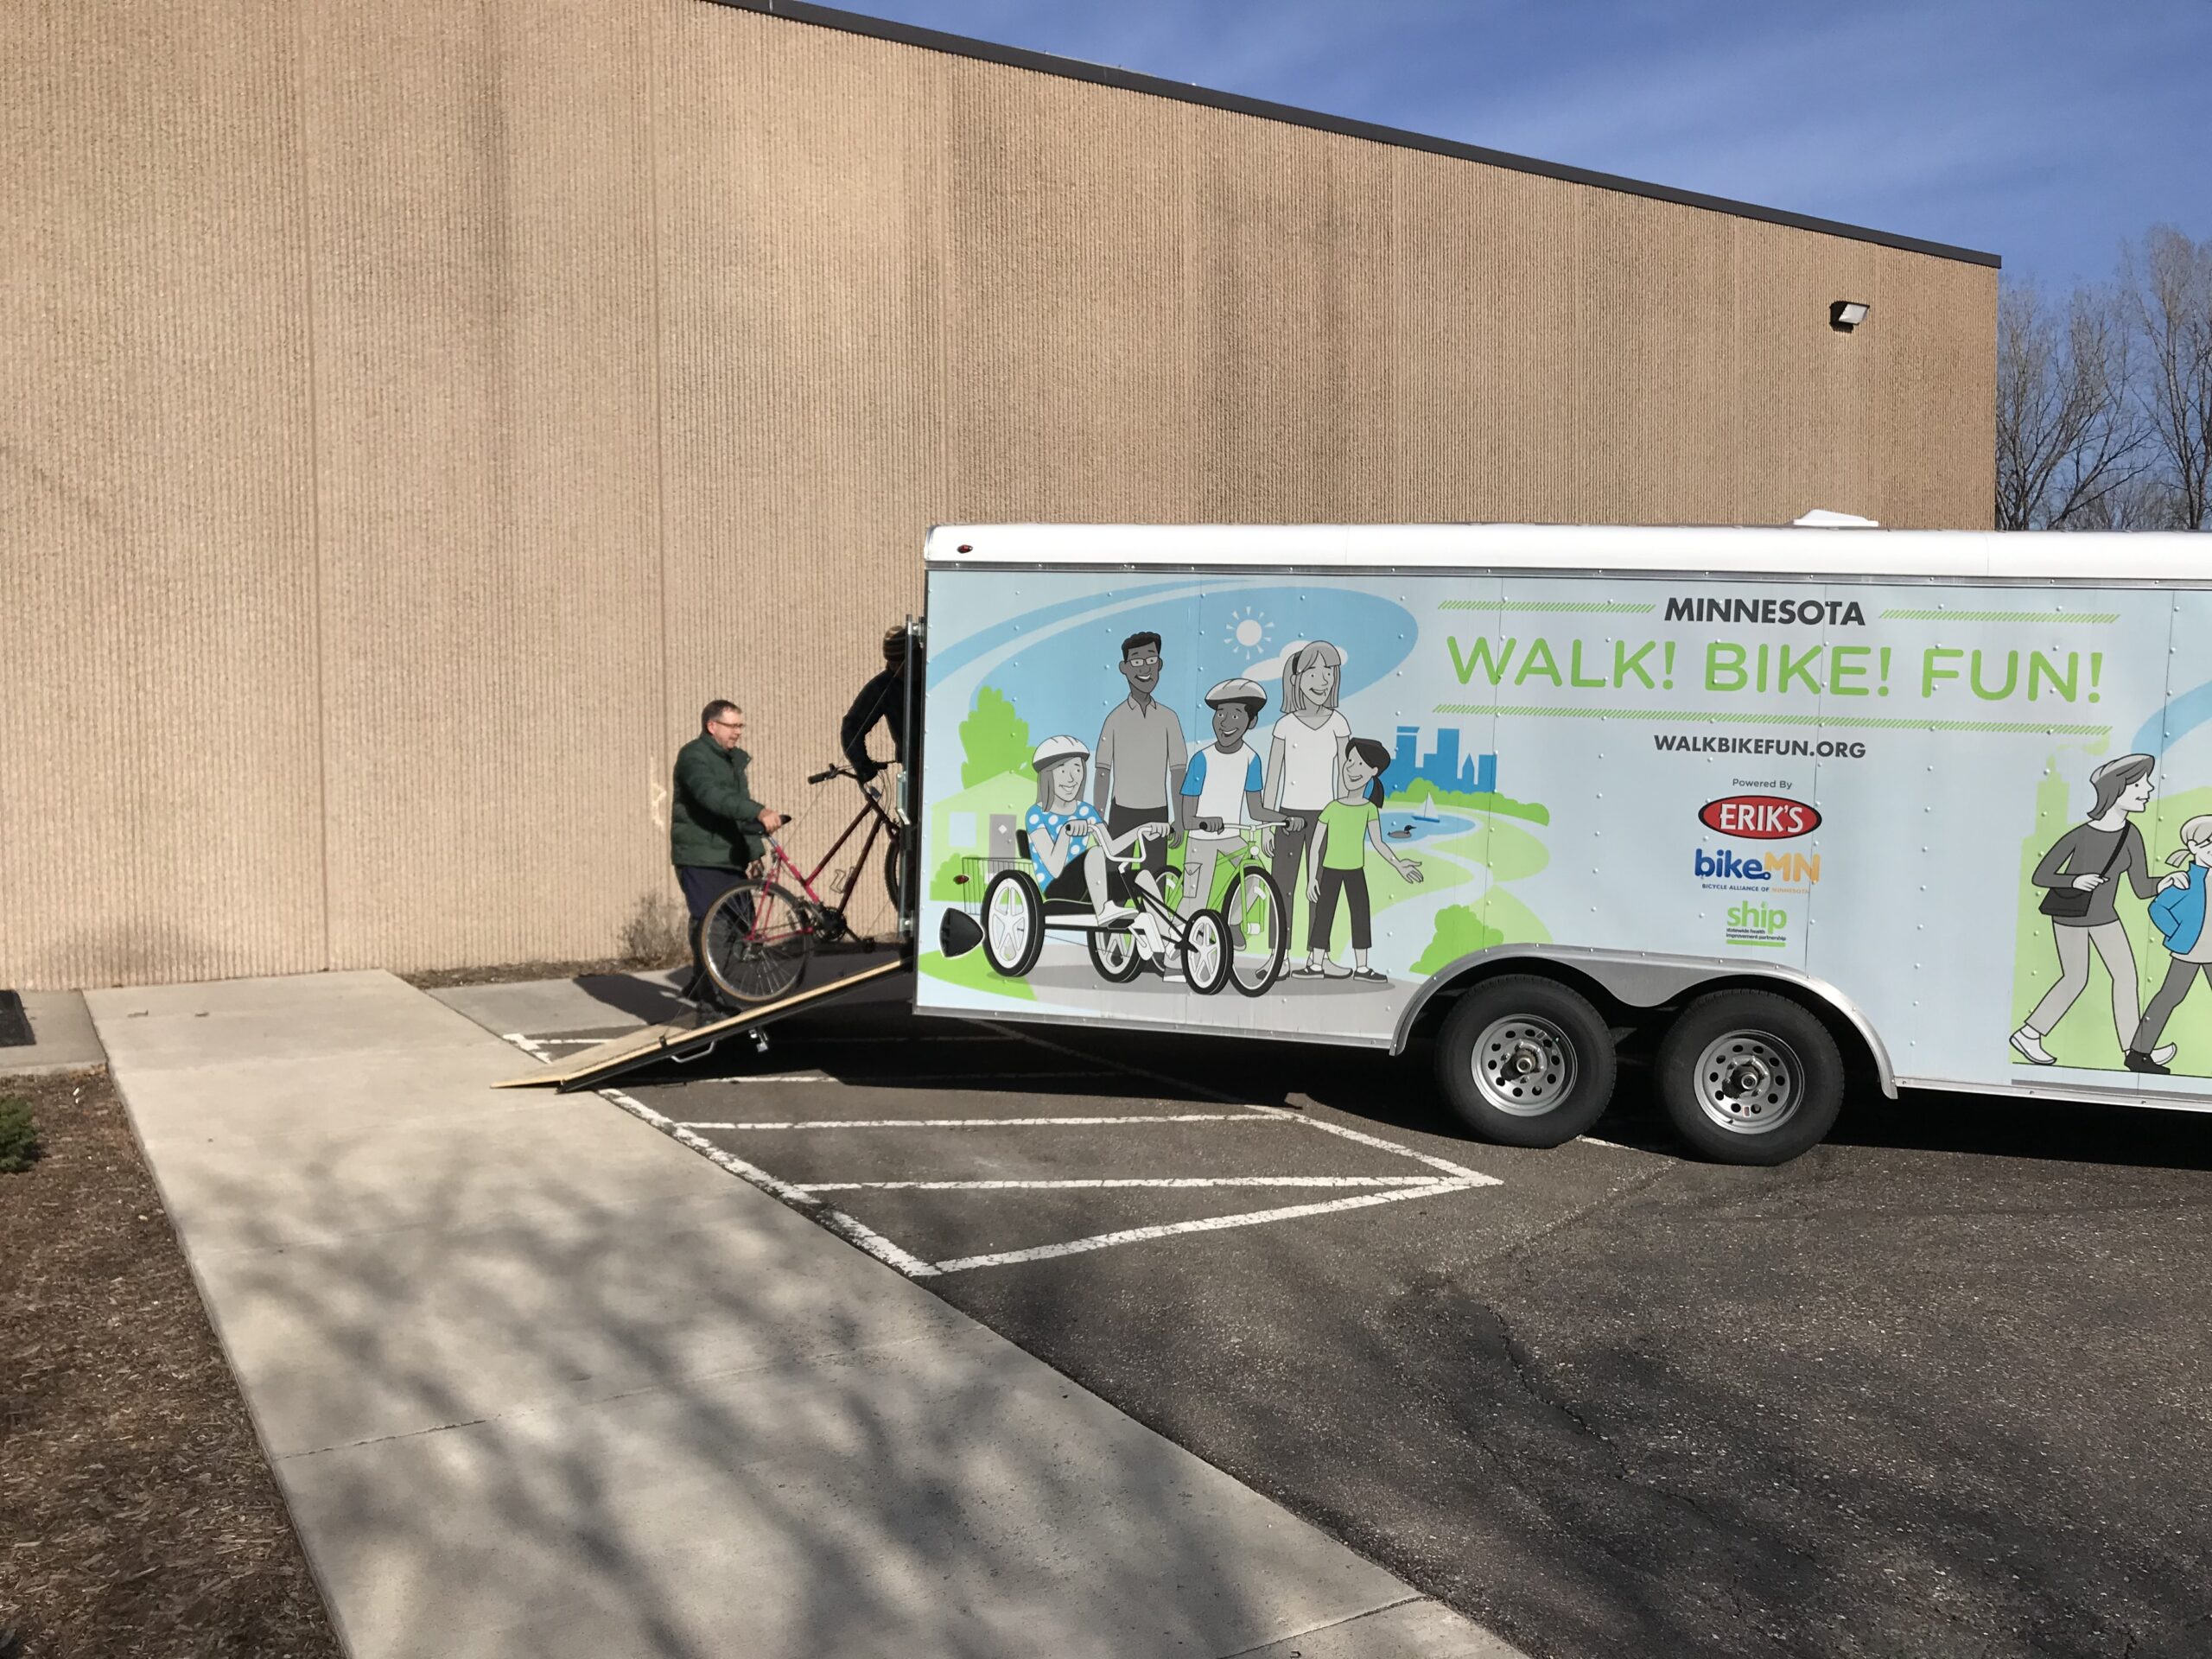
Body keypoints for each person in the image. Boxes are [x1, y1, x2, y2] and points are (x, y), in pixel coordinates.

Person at [2012, 753, 2169, 1066]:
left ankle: (2134, 1051)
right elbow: (2041, 876)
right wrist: (2075, 880)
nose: (2148, 788)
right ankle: (2029, 1034)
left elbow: (2140, 887)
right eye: (2138, 783)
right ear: (2115, 790)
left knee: (2126, 978)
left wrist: (2168, 881)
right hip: (2071, 917)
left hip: (2104, 918)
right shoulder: (2081, 835)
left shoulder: (2131, 835)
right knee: (2075, 978)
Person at [672, 702, 787, 1000]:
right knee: (714, 925)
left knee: (739, 924)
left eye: (740, 726)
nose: (738, 732)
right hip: (701, 856)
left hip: (729, 856)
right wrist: (760, 811)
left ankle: (702, 987)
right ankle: (711, 1002)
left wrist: (754, 854)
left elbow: (739, 811)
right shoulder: (693, 757)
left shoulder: (732, 760)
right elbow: (713, 796)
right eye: (732, 726)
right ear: (712, 726)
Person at [1027, 734, 1171, 964]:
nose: (1071, 778)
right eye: (1062, 770)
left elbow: (1111, 847)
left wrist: (1141, 830)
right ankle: (1104, 911)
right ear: (1047, 775)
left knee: (1142, 876)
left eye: (1077, 769)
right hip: (1060, 887)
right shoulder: (1036, 815)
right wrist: (1065, 832)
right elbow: (1054, 868)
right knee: (1094, 854)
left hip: (1091, 884)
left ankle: (1167, 935)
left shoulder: (1086, 811)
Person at [1299, 736, 1421, 980]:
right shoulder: (1332, 807)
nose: (1351, 769)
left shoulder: (1369, 809)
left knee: (1360, 914)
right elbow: (1315, 846)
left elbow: (1379, 842)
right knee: (1324, 915)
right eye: (1350, 761)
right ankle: (1316, 964)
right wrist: (1312, 878)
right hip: (1330, 869)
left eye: (1360, 764)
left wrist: (1398, 864)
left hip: (1355, 870)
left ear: (1373, 772)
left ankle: (1362, 968)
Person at [1263, 640, 1351, 969]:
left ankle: (1319, 956)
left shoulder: (1338, 722)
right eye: (1312, 671)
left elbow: (1345, 775)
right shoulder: (1285, 725)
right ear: (1296, 678)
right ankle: (1280, 956)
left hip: (1327, 816)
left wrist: (1345, 817)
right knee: (1281, 888)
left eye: (1327, 671)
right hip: (1287, 817)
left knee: (1323, 888)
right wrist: (1269, 823)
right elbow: (1274, 777)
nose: (1321, 679)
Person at [1175, 677, 1286, 918]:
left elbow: (1256, 810)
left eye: (1235, 715)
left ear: (1251, 721)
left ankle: (1231, 923)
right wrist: (1204, 821)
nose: (1225, 722)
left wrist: (1285, 819)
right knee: (1195, 902)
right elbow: (1187, 818)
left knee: (1255, 880)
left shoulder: (1251, 759)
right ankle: (1173, 950)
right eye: (1220, 714)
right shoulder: (1201, 760)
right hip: (1200, 839)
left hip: (1231, 838)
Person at [1093, 631, 1186, 881]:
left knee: (1155, 882)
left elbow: (1178, 771)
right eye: (1136, 661)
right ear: (1124, 668)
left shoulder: (1169, 719)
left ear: (1160, 664)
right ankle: (1116, 922)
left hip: (1158, 813)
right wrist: (1097, 817)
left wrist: (1179, 817)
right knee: (1115, 881)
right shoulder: (1114, 719)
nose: (1145, 668)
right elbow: (1103, 771)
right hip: (1121, 812)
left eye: (1151, 659)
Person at [2125, 815, 2212, 1075]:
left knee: (2168, 997)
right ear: (2194, 848)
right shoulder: (2186, 881)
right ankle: (2138, 1054)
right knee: (2169, 997)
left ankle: (2139, 1053)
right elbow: (2158, 908)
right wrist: (2177, 934)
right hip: (2189, 951)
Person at [840, 626, 912, 784]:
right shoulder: (884, 686)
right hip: (914, 771)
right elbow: (851, 726)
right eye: (892, 663)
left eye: (901, 662)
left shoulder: (933, 679)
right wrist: (863, 766)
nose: (897, 669)